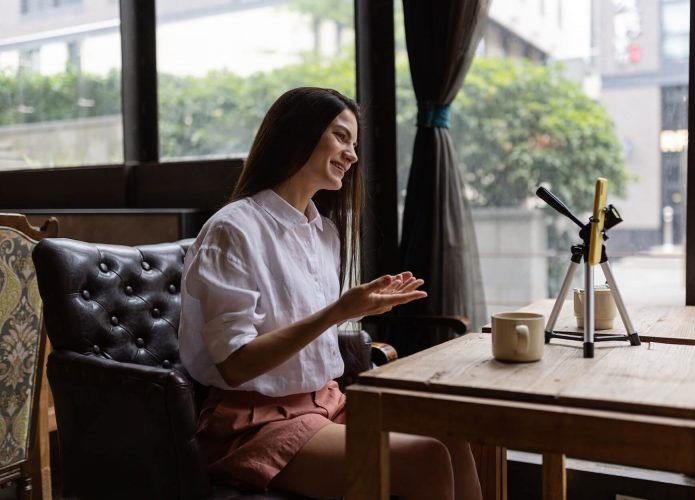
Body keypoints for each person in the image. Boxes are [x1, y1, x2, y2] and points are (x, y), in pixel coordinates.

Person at [178, 87, 482, 500]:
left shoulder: (325, 233)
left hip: (330, 403)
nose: (352, 155)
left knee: (455, 434)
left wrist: (353, 308)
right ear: (297, 134)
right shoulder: (233, 230)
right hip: (256, 421)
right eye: (341, 137)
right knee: (424, 458)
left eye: (353, 143)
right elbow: (234, 365)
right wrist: (337, 312)